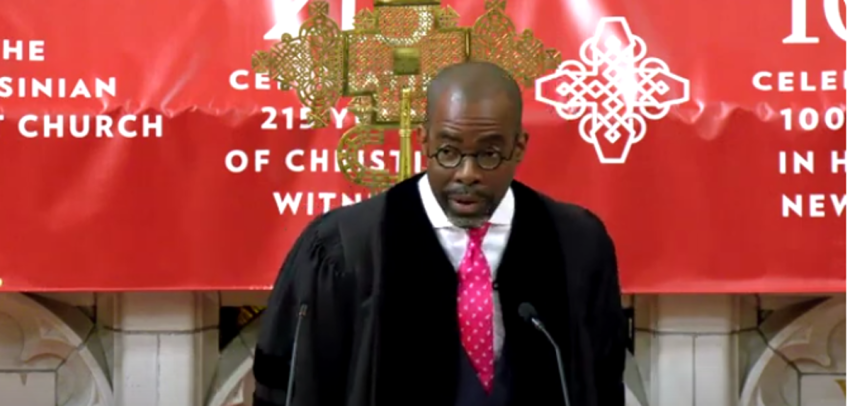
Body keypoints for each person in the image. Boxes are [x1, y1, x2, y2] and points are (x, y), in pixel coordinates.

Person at [253, 61, 626, 406]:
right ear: (424, 141)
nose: (466, 173)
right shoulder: (346, 248)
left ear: (519, 147)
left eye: (489, 154)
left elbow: (604, 377)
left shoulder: (575, 243)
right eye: (448, 151)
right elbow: (295, 386)